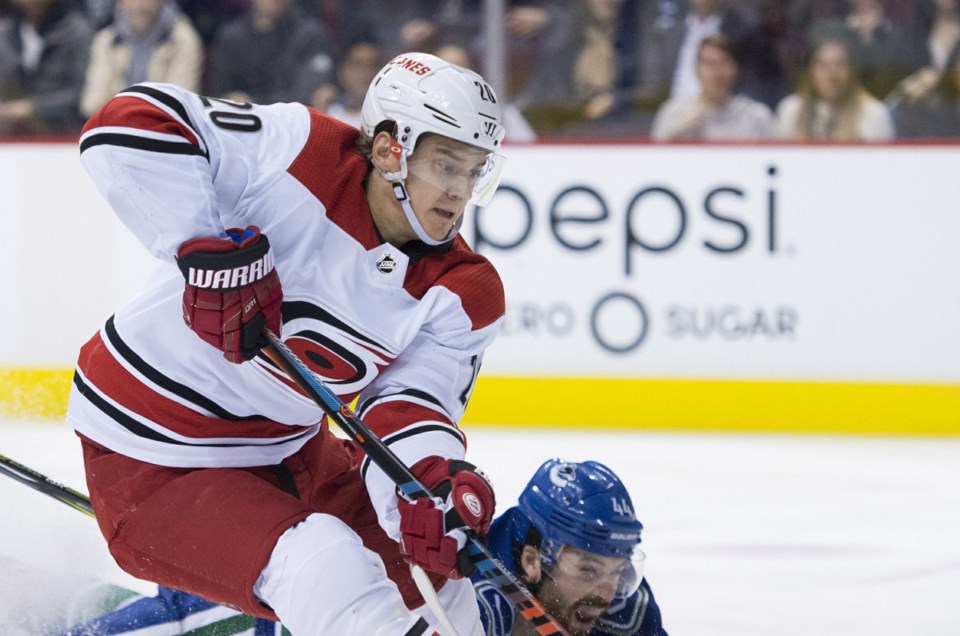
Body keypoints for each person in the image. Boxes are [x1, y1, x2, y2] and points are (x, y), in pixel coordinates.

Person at [69, 51, 507, 635]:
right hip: (154, 452)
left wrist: (429, 482)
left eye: (473, 171)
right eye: (446, 166)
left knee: (439, 583)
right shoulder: (299, 147)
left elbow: (408, 406)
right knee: (325, 563)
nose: (458, 193)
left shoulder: (465, 289)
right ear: (387, 150)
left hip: (289, 452)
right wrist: (203, 251)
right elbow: (127, 122)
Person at [61, 459, 667, 636]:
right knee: (180, 616)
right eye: (588, 568)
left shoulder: (618, 607)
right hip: (280, 618)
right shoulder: (477, 593)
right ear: (533, 559)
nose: (607, 590)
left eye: (617, 570)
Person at [80, 0, 203, 118]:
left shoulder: (183, 39)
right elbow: (92, 104)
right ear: (121, 2)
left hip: (166, 130)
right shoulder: (106, 40)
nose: (141, 4)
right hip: (114, 126)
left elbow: (180, 102)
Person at [206, 0, 335, 105]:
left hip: (293, 126)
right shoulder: (231, 37)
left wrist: (252, 103)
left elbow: (309, 96)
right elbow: (221, 94)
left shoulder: (311, 35)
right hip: (243, 125)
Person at [651, 33, 776, 140]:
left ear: (735, 69)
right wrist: (676, 135)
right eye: (709, 64)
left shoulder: (757, 117)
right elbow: (653, 161)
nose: (717, 73)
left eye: (723, 63)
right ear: (697, 71)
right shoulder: (673, 113)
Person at [775, 32, 895, 140]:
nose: (832, 74)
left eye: (840, 64)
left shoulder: (874, 114)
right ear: (810, 71)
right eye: (823, 65)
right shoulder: (790, 110)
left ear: (852, 70)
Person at [0, 0, 93, 135]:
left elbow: (83, 94)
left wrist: (32, 108)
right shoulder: (5, 34)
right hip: (11, 135)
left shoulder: (77, 32)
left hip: (63, 135)